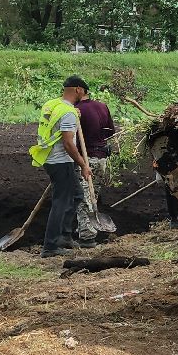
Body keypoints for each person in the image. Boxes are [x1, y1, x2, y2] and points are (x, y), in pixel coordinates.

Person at [31, 76, 94, 257]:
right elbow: (68, 143)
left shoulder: (53, 105)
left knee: (76, 195)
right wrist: (83, 164)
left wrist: (73, 112)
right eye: (84, 91)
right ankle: (50, 246)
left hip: (50, 159)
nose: (84, 95)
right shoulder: (68, 113)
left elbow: (57, 121)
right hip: (61, 161)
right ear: (78, 90)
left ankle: (65, 236)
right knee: (60, 202)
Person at [76, 85, 118, 239]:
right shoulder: (102, 107)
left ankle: (87, 235)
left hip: (87, 159)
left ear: (79, 91)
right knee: (94, 193)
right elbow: (110, 132)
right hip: (102, 158)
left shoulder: (77, 110)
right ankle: (89, 227)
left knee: (83, 197)